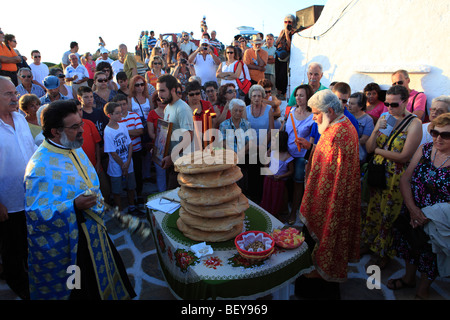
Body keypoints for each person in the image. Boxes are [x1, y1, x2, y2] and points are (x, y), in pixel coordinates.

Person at [24, 100, 135, 300]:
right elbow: (36, 214)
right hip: (74, 243)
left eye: (81, 123)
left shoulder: (73, 146)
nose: (82, 130)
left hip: (95, 230)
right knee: (82, 289)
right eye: (75, 127)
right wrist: (72, 206)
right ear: (55, 132)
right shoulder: (39, 167)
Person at [295, 89, 360, 299]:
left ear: (330, 111)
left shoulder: (337, 134)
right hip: (328, 197)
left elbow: (333, 175)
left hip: (328, 202)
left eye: (316, 113)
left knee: (318, 245)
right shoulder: (339, 126)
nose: (313, 117)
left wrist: (317, 201)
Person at [388, 113, 450, 299]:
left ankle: (423, 290)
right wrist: (413, 210)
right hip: (413, 209)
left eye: (445, 135)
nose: (438, 138)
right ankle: (408, 278)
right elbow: (405, 178)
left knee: (431, 254)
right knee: (409, 244)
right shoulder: (425, 149)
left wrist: (429, 215)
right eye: (434, 132)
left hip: (436, 219)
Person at [361, 85, 423, 270]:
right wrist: (375, 131)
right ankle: (369, 242)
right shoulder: (384, 118)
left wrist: (380, 150)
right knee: (373, 208)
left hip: (396, 176)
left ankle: (383, 252)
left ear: (405, 101)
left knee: (388, 213)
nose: (389, 107)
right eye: (387, 103)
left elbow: (404, 156)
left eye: (394, 104)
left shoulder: (414, 123)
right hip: (378, 171)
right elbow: (370, 148)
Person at [0, 76, 36, 300]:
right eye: (8, 94)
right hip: (8, 202)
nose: (15, 97)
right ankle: (17, 282)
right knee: (10, 246)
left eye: (15, 93)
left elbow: (32, 149)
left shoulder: (20, 119)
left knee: (28, 240)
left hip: (31, 195)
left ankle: (29, 273)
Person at [103, 101, 142, 216]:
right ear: (110, 115)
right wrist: (123, 165)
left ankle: (131, 206)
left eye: (121, 112)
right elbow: (112, 153)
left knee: (131, 186)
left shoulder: (123, 126)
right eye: (117, 113)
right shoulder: (108, 131)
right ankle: (119, 210)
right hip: (116, 166)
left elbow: (130, 144)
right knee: (117, 190)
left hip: (127, 163)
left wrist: (128, 161)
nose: (121, 115)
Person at [284, 84, 314, 225]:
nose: (298, 97)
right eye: (296, 95)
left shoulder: (313, 116)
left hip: (302, 155)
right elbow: (284, 130)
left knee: (298, 183)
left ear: (308, 97)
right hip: (288, 153)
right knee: (286, 181)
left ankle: (294, 212)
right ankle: (286, 207)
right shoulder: (290, 111)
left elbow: (313, 138)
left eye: (301, 95)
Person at [156, 74, 193, 189]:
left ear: (172, 90)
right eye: (158, 91)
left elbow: (189, 136)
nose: (159, 95)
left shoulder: (182, 108)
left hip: (182, 164)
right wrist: (158, 149)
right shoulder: (167, 107)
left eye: (162, 91)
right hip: (171, 162)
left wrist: (172, 157)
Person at [245, 84, 274, 203]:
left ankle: (263, 199)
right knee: (252, 173)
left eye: (259, 96)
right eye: (254, 96)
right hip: (251, 146)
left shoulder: (269, 110)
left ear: (262, 97)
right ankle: (253, 199)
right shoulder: (246, 109)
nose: (256, 98)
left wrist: (263, 146)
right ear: (250, 97)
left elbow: (271, 130)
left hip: (264, 145)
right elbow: (245, 129)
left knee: (263, 174)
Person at [219, 98, 253, 193]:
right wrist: (234, 153)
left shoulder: (246, 124)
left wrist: (241, 152)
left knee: (243, 184)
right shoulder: (224, 125)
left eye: (240, 111)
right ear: (230, 110)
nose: (238, 113)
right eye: (236, 110)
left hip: (243, 158)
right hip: (230, 158)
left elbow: (250, 141)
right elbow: (223, 142)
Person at [114, 94, 144, 199]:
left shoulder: (134, 115)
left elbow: (140, 131)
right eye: (119, 105)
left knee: (138, 173)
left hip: (136, 150)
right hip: (123, 154)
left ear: (127, 104)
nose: (122, 107)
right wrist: (131, 132)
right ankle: (130, 198)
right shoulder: (115, 119)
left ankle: (139, 195)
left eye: (124, 104)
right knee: (126, 176)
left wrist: (123, 132)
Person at [260, 130, 294, 218]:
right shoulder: (272, 153)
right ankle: (267, 212)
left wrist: (281, 176)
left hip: (279, 182)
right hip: (268, 180)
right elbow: (266, 165)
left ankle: (276, 214)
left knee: (277, 199)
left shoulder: (288, 157)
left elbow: (291, 171)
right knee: (267, 196)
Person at [74, 98, 102, 173]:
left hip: (95, 165)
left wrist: (98, 163)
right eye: (75, 111)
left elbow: (97, 144)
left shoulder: (89, 123)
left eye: (80, 110)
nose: (79, 113)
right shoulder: (67, 130)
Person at [147, 91, 167, 192]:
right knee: (160, 173)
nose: (161, 101)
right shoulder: (152, 114)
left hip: (171, 147)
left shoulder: (171, 111)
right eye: (158, 99)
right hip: (158, 148)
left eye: (162, 99)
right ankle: (162, 195)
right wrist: (163, 140)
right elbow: (151, 133)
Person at [347, 92, 374, 164]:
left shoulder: (368, 120)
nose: (349, 106)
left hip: (357, 156)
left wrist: (346, 144)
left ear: (361, 106)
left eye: (352, 104)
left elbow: (364, 139)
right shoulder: (345, 116)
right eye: (349, 103)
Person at [275, 15, 296, 99]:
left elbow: (291, 46)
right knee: (278, 74)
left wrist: (287, 34)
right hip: (279, 55)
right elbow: (276, 43)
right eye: (285, 22)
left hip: (286, 57)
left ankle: (283, 92)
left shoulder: (294, 33)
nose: (287, 24)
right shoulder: (282, 31)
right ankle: (278, 91)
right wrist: (282, 34)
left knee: (284, 75)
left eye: (289, 22)